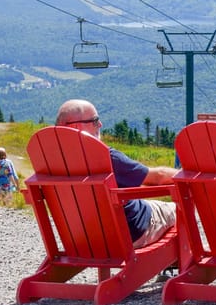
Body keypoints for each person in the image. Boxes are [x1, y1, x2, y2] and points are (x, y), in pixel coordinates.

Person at [55, 99, 178, 248]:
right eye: (94, 120)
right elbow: (159, 178)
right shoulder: (106, 157)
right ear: (76, 126)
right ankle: (183, 262)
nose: (100, 124)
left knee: (152, 204)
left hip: (82, 239)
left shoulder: (49, 159)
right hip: (129, 232)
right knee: (176, 209)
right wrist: (187, 175)